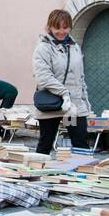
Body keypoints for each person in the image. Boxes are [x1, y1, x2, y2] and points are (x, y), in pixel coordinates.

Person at [32, 10, 92, 155]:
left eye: (65, 27)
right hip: (51, 105)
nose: (61, 31)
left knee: (80, 142)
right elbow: (43, 77)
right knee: (46, 143)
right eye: (57, 27)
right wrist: (64, 93)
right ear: (50, 27)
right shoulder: (43, 48)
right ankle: (36, 174)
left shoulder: (74, 47)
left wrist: (85, 102)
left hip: (72, 108)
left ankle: (81, 174)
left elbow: (80, 76)